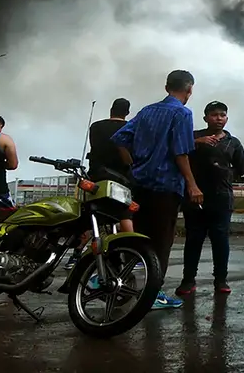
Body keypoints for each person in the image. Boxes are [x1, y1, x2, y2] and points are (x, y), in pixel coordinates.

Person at [110, 70, 203, 310]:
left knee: (139, 239)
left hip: (140, 184)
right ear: (189, 89)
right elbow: (180, 152)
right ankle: (153, 294)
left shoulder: (146, 111)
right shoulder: (182, 113)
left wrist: (132, 164)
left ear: (166, 87)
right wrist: (192, 184)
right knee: (161, 242)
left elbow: (120, 138)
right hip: (166, 186)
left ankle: (129, 285)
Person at [176, 100, 244, 296]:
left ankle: (221, 280)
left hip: (221, 198)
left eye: (222, 115)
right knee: (193, 239)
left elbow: (241, 169)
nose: (218, 118)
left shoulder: (233, 143)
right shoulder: (193, 137)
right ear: (205, 117)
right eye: (214, 115)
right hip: (194, 196)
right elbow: (177, 151)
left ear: (227, 118)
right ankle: (188, 280)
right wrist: (197, 142)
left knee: (220, 240)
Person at [64, 98, 136, 271]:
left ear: (111, 110)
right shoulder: (131, 128)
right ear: (127, 113)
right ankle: (132, 255)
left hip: (96, 176)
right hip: (122, 179)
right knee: (125, 216)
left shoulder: (95, 126)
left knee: (92, 215)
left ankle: (75, 255)